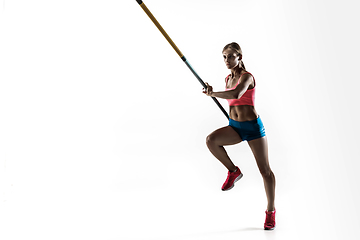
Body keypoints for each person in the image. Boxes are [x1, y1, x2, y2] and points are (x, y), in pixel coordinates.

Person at [202, 42, 276, 230]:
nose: (227, 60)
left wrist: (213, 93)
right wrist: (214, 93)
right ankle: (233, 171)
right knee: (211, 140)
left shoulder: (247, 77)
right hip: (235, 127)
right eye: (224, 57)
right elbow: (230, 96)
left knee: (265, 171)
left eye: (231, 56)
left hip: (252, 128)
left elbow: (236, 93)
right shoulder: (227, 78)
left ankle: (270, 212)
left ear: (239, 57)